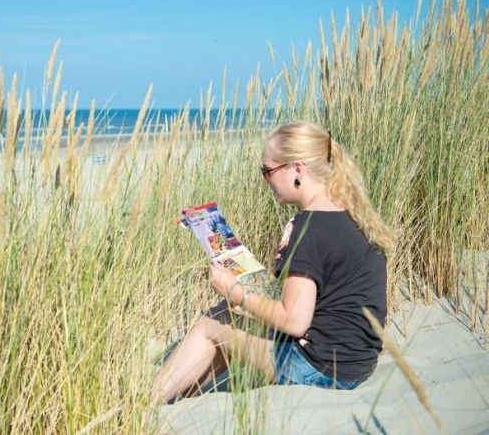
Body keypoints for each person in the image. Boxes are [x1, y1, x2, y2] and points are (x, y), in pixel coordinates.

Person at [151, 122, 395, 404]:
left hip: (320, 369)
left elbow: (294, 320)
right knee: (236, 325)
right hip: (357, 366)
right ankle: (174, 400)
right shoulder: (355, 217)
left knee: (214, 320)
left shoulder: (309, 228)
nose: (266, 180)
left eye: (268, 171)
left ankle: (144, 403)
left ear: (297, 170)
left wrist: (233, 291)